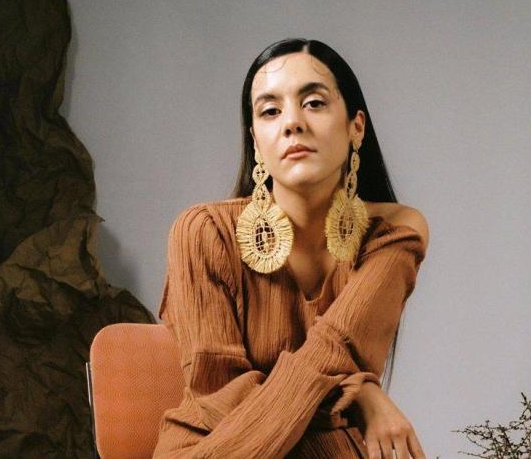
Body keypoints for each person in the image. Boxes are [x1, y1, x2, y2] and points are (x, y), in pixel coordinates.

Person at [152, 38, 429, 459]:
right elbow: (219, 395)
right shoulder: (204, 231)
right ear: (256, 140)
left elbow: (336, 352)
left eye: (314, 103)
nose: (292, 123)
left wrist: (350, 390)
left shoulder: (391, 232)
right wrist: (359, 394)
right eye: (270, 111)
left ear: (356, 126)